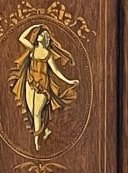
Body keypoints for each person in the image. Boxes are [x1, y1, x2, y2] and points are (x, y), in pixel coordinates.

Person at [10, 20, 79, 148]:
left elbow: (56, 71)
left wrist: (69, 81)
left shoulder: (48, 54)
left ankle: (37, 140)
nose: (42, 36)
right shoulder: (33, 49)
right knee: (31, 110)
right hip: (30, 81)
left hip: (43, 83)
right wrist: (33, 26)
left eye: (44, 34)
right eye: (41, 34)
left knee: (37, 112)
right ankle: (45, 130)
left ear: (46, 38)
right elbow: (21, 38)